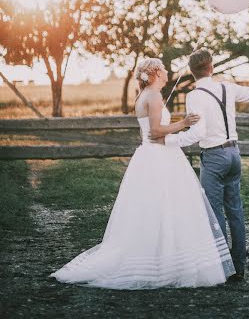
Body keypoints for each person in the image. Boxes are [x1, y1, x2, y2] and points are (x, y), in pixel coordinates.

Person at [50, 58, 235, 289]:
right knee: (167, 206)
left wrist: (176, 126)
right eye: (164, 69)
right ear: (156, 73)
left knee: (155, 209)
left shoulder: (143, 96)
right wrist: (184, 123)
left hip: (149, 156)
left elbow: (152, 130)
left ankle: (161, 256)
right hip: (160, 157)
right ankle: (165, 262)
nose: (168, 72)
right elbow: (156, 132)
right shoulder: (154, 96)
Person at [157, 49, 249, 282]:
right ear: (211, 67)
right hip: (234, 154)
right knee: (235, 210)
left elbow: (198, 132)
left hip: (214, 157)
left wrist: (168, 141)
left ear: (192, 72)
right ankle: (239, 267)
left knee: (214, 214)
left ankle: (222, 269)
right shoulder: (227, 87)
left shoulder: (195, 95)